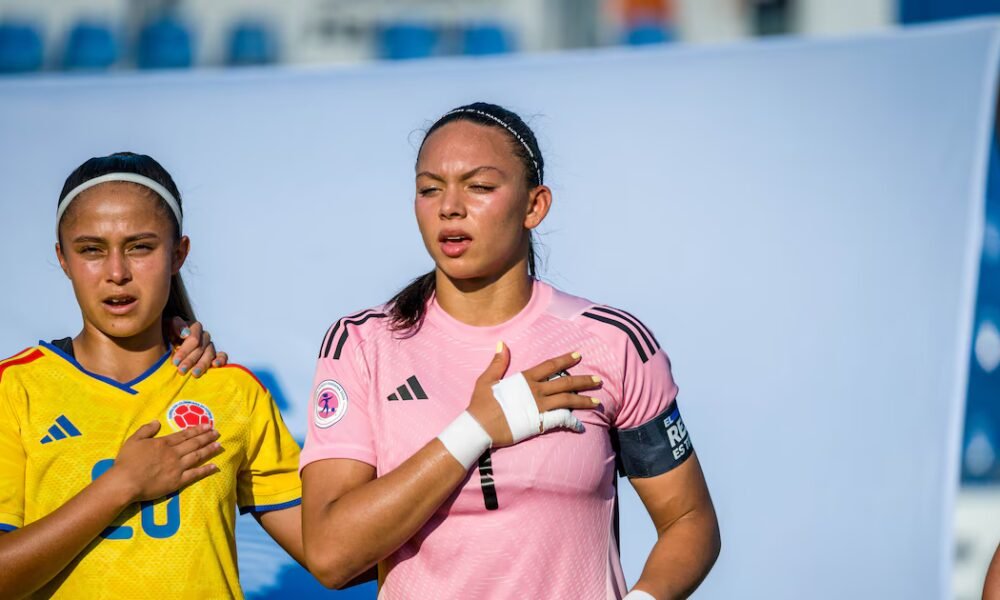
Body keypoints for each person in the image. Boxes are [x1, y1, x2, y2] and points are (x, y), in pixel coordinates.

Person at [301, 102, 720, 599]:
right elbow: (329, 554)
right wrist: (475, 430)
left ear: (534, 206)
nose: (449, 206)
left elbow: (690, 520)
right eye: (429, 188)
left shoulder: (614, 342)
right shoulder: (363, 344)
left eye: (479, 187)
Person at [0, 152, 303, 598]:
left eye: (140, 247)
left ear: (178, 254)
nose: (117, 273)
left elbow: (334, 554)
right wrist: (121, 486)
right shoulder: (16, 389)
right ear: (63, 258)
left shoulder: (231, 389)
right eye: (91, 250)